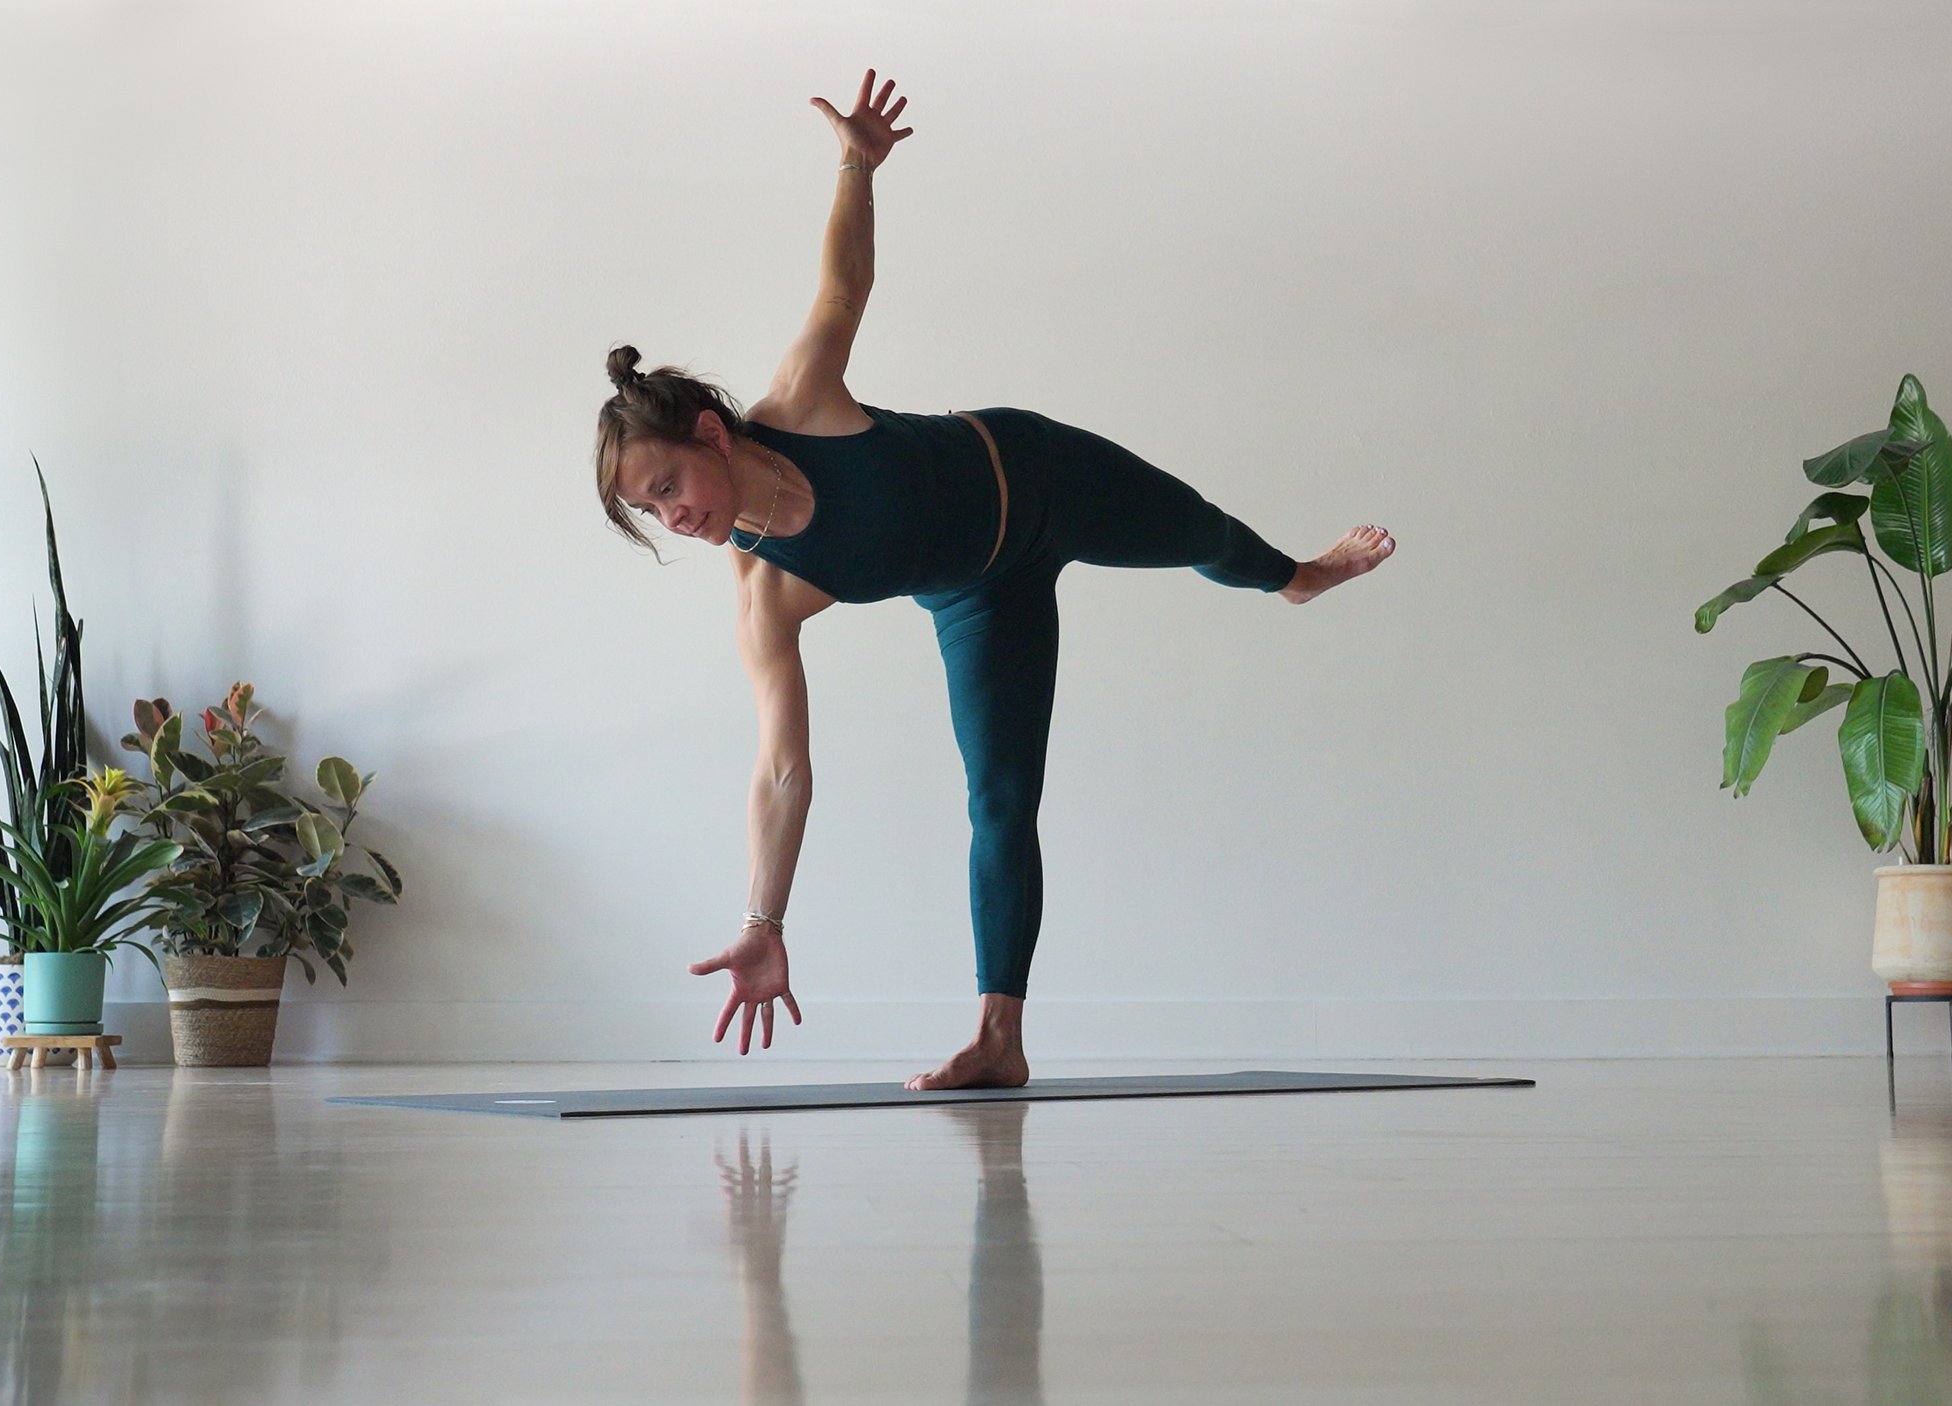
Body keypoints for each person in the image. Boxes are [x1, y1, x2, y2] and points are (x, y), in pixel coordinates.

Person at [594, 70, 1394, 1091]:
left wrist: (856, 163)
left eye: (669, 487)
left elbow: (842, 286)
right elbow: (781, 769)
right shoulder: (764, 590)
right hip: (981, 594)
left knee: (1204, 534)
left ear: (708, 433)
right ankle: (999, 1037)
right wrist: (763, 918)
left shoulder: (797, 406)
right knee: (1001, 800)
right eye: (650, 513)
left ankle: (1293, 575)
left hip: (1042, 474)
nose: (674, 518)